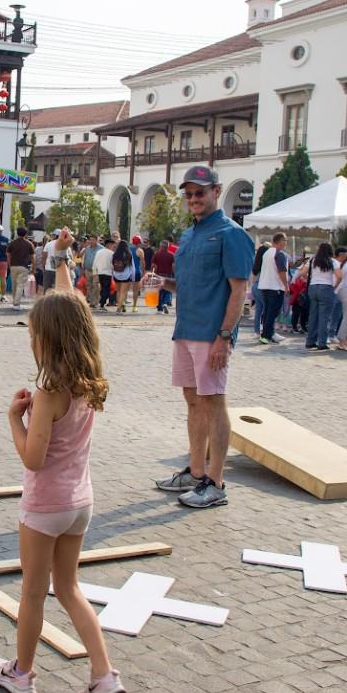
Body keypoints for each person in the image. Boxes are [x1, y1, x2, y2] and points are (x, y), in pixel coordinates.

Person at [0, 227, 126, 693]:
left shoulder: (48, 394)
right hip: (81, 503)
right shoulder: (89, 383)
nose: (32, 342)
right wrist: (62, 259)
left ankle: (21, 673)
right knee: (70, 588)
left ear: (47, 341)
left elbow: (32, 458)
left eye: (33, 335)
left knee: (32, 593)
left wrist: (13, 418)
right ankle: (103, 673)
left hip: (45, 505)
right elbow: (72, 309)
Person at [153, 166, 253, 509]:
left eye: (201, 192)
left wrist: (224, 337)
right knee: (193, 401)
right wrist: (162, 284)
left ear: (216, 191)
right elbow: (189, 285)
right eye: (190, 194)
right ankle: (196, 473)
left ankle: (216, 481)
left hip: (212, 334)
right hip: (185, 330)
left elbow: (239, 290)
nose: (194, 199)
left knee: (214, 403)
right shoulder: (190, 235)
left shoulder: (231, 234)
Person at [302, 243, 340, 351]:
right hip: (326, 288)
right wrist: (335, 285)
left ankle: (310, 341)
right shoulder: (333, 262)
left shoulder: (313, 260)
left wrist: (311, 277)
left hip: (313, 288)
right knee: (324, 317)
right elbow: (340, 275)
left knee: (313, 315)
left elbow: (303, 272)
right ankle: (322, 342)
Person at [256, 232, 289, 344]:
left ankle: (270, 333)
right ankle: (266, 335)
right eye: (285, 240)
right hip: (275, 287)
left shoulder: (266, 253)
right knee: (272, 312)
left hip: (265, 285)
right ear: (280, 241)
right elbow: (282, 271)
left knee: (267, 311)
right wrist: (286, 286)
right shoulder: (280, 254)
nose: (286, 243)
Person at [7, 226, 34, 311]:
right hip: (24, 266)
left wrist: (9, 264)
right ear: (26, 234)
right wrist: (34, 267)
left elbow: (8, 254)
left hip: (13, 265)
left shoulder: (12, 243)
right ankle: (16, 303)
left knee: (14, 284)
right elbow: (33, 257)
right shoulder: (29, 244)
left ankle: (15, 302)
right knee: (20, 285)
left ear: (17, 232)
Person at [151, 239, 174, 314]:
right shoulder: (171, 255)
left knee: (159, 292)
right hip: (168, 275)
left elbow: (153, 265)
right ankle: (165, 303)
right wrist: (174, 274)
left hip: (159, 275)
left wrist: (152, 273)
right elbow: (174, 266)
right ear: (167, 247)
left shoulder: (156, 254)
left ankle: (159, 309)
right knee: (167, 291)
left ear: (161, 246)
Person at [110, 240, 134, 314]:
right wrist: (132, 277)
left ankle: (119, 306)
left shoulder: (115, 254)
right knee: (123, 292)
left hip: (116, 274)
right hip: (125, 275)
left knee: (118, 291)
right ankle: (119, 308)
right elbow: (132, 267)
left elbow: (112, 264)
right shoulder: (128, 254)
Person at [80, 235, 102, 308]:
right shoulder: (87, 248)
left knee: (95, 285)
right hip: (87, 269)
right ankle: (90, 300)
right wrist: (83, 269)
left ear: (97, 240)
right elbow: (84, 258)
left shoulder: (101, 248)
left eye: (93, 240)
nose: (91, 241)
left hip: (96, 270)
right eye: (90, 240)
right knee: (89, 286)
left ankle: (94, 302)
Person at [93, 237, 114, 311]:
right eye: (112, 245)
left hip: (100, 273)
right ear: (108, 245)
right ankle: (102, 304)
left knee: (102, 288)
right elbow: (112, 264)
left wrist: (95, 272)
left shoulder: (99, 252)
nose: (113, 246)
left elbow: (95, 262)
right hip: (107, 273)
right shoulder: (111, 253)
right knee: (106, 289)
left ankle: (101, 303)